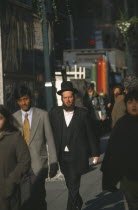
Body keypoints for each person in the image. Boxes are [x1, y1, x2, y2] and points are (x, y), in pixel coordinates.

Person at [50, 81, 100, 210]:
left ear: (74, 97)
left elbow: (91, 134)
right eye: (65, 97)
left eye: (70, 97)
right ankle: (78, 201)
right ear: (61, 98)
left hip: (78, 155)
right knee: (70, 184)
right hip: (62, 156)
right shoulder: (54, 113)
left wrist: (95, 153)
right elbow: (50, 134)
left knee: (74, 183)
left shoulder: (83, 113)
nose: (68, 100)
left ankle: (71, 208)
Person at [13, 86, 58, 210]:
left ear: (30, 98)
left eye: (26, 99)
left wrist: (53, 163)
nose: (23, 103)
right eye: (20, 100)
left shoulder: (42, 115)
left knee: (39, 199)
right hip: (21, 166)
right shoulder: (13, 118)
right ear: (17, 102)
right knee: (24, 200)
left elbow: (50, 140)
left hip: (39, 165)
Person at [101, 89, 138, 210]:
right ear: (126, 105)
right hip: (129, 178)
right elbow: (112, 152)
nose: (133, 105)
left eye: (136, 101)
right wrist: (109, 179)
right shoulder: (121, 124)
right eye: (130, 102)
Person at [0, 105, 30, 210]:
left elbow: (24, 161)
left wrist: (11, 181)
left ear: (6, 119)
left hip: (8, 194)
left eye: (0, 118)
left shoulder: (15, 137)